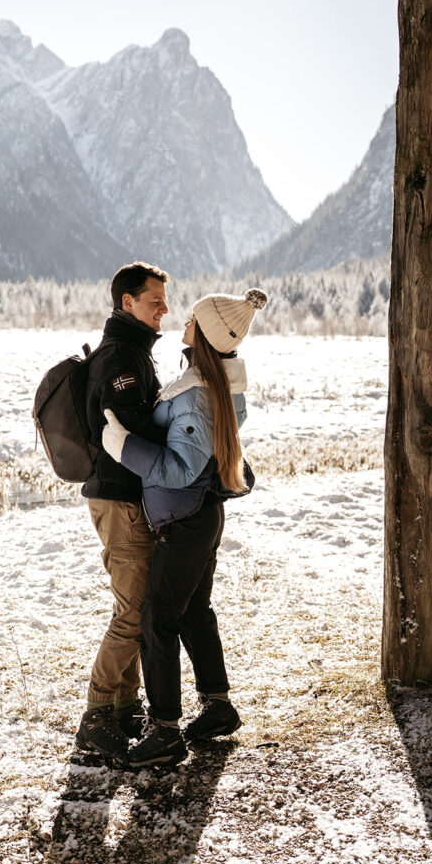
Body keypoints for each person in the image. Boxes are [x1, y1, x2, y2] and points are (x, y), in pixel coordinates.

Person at [101, 288, 267, 768]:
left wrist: (122, 444)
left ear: (207, 334)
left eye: (193, 319)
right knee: (194, 610)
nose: (183, 322)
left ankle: (166, 730)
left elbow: (179, 470)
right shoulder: (210, 385)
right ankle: (217, 707)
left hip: (186, 521)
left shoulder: (196, 396)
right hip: (198, 516)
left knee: (158, 619)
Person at [75, 261, 169, 765]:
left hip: (125, 497)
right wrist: (179, 424)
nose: (163, 309)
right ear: (127, 302)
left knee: (135, 607)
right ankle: (96, 714)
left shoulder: (132, 351)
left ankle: (125, 706)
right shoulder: (120, 358)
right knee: (131, 614)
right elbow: (131, 428)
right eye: (154, 300)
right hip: (118, 497)